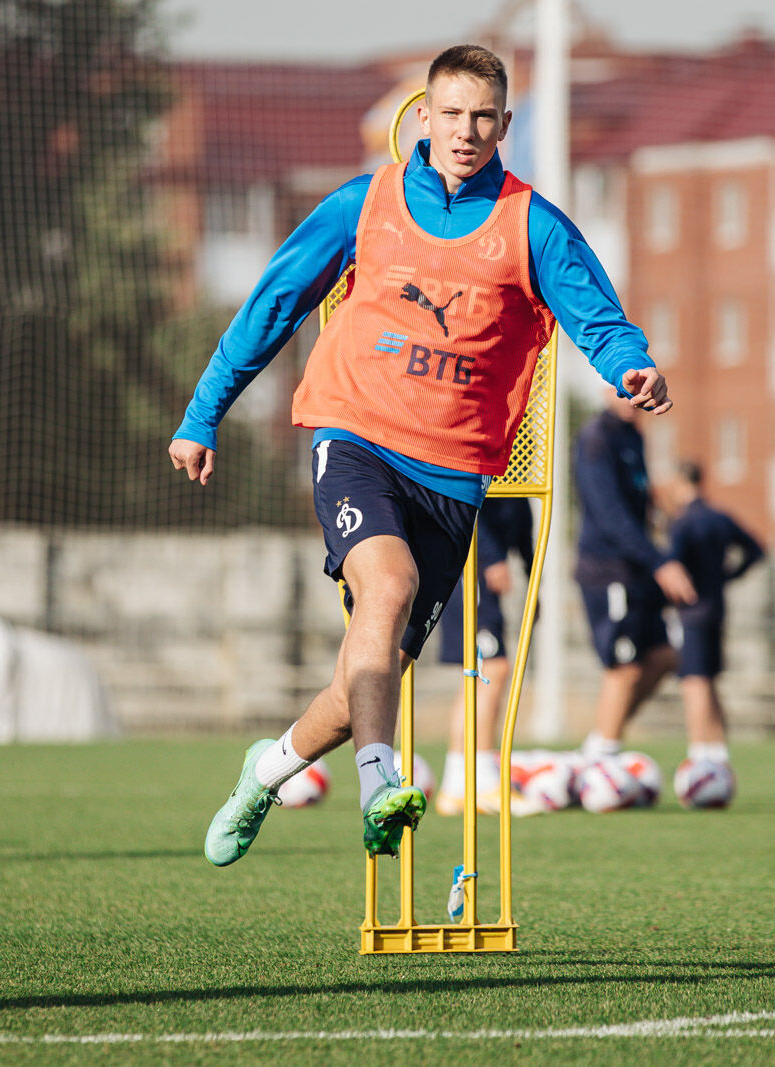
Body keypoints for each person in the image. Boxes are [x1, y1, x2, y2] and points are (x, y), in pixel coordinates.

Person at [169, 45, 673, 867]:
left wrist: (632, 367)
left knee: (364, 678)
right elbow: (273, 304)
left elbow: (597, 317)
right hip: (354, 433)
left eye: (483, 117)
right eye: (452, 115)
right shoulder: (361, 204)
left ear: (505, 124)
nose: (466, 131)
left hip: (454, 474)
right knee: (389, 585)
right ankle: (380, 784)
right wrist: (203, 416)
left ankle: (266, 772)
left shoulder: (531, 224)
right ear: (425, 118)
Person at [573, 394, 696, 762]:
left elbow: (638, 507)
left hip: (636, 571)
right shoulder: (597, 437)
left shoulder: (634, 435)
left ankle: (598, 746)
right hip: (607, 569)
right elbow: (610, 514)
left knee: (662, 657)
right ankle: (602, 763)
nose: (629, 398)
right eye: (621, 388)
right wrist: (659, 562)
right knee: (623, 668)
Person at [433, 495, 534, 816]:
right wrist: (490, 558)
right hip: (468, 566)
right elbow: (467, 504)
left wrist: (532, 576)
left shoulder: (515, 463)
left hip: (483, 573)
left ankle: (455, 785)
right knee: (491, 668)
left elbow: (521, 519)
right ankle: (482, 780)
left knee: (479, 672)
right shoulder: (484, 457)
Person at [664, 461, 764, 774]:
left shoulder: (682, 523)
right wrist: (727, 576)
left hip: (691, 609)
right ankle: (719, 751)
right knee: (709, 679)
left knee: (695, 681)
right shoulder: (719, 518)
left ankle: (699, 755)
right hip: (716, 606)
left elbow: (673, 564)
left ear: (682, 481)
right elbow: (756, 550)